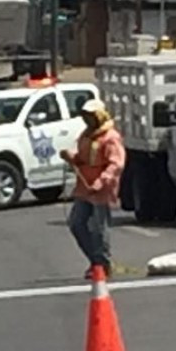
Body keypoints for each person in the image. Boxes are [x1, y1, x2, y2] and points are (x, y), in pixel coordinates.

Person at [60, 98, 125, 279]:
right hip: (84, 188)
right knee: (76, 223)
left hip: (100, 189)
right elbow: (83, 159)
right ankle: (95, 260)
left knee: (99, 228)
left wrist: (101, 182)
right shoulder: (86, 135)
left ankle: (103, 264)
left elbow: (116, 164)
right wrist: (71, 157)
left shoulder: (110, 138)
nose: (86, 119)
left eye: (90, 116)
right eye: (85, 116)